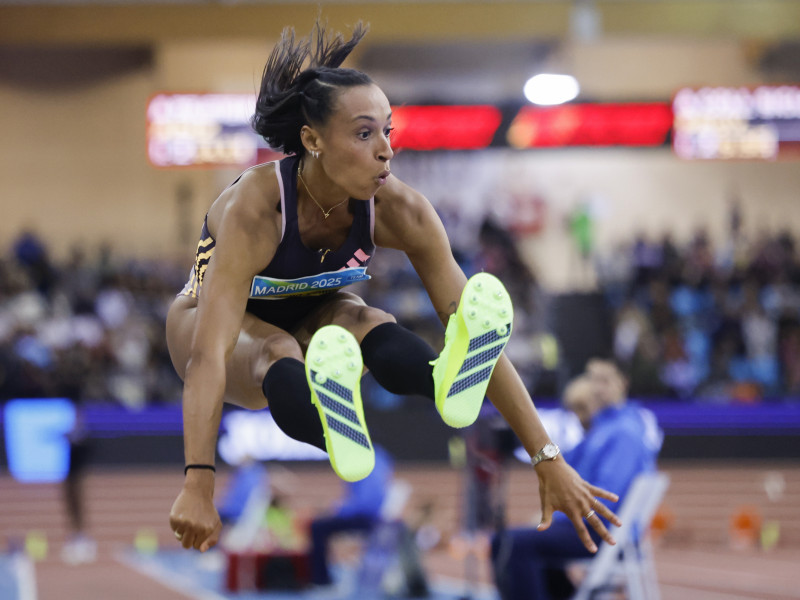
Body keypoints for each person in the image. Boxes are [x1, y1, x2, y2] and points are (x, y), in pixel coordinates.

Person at [166, 21, 621, 554]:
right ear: (311, 140)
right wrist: (198, 482)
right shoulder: (257, 209)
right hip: (212, 327)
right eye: (364, 134)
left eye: (388, 131)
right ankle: (332, 430)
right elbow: (207, 358)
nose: (386, 150)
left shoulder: (400, 209)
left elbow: (479, 341)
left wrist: (548, 457)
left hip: (316, 314)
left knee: (363, 319)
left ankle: (441, 383)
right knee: (277, 348)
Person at [490, 359, 662, 600]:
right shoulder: (602, 429)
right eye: (593, 379)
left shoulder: (623, 433)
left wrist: (557, 516)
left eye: (605, 380)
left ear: (623, 383)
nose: (598, 388)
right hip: (593, 525)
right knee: (512, 542)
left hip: (602, 530)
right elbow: (562, 467)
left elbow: (606, 497)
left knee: (512, 544)